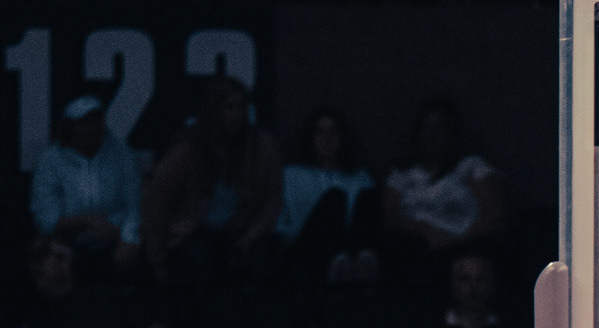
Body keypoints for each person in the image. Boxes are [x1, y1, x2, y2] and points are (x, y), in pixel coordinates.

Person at [143, 77, 282, 284]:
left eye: (241, 107)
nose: (236, 115)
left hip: (243, 229)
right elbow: (158, 204)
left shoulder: (262, 148)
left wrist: (252, 235)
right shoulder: (188, 150)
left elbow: (272, 200)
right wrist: (158, 260)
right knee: (201, 256)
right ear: (213, 110)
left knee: (267, 253)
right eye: (229, 107)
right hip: (195, 232)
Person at [30, 95, 141, 274]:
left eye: (96, 121)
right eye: (84, 123)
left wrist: (127, 238)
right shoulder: (50, 162)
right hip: (68, 241)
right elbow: (47, 218)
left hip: (115, 237)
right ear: (69, 127)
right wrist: (86, 222)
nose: (92, 128)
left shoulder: (122, 155)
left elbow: (134, 204)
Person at [383, 101, 504, 259]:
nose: (431, 134)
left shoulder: (472, 167)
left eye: (439, 127)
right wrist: (422, 230)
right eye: (426, 127)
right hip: (416, 253)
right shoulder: (401, 175)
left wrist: (457, 242)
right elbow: (391, 218)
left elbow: (493, 216)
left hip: (465, 250)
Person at [278, 106, 378, 283]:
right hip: (306, 245)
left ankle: (362, 264)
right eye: (320, 132)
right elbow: (282, 221)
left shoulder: (360, 178)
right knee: (335, 198)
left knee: (367, 196)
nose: (326, 138)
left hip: (351, 246)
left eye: (333, 132)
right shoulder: (291, 175)